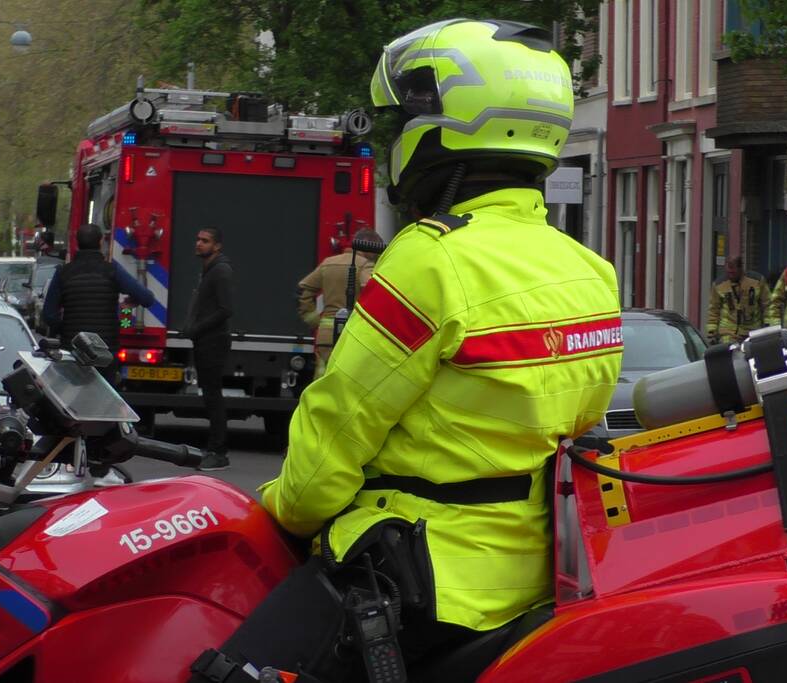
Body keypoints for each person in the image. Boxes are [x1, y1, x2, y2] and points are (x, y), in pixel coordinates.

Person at [189, 19, 622, 683]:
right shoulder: (590, 271)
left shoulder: (431, 260)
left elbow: (338, 428)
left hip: (418, 586)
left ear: (447, 126)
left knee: (222, 672)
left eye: (404, 121)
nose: (397, 139)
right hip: (539, 584)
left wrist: (284, 511)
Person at [41, 222, 155, 382]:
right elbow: (147, 299)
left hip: (73, 350)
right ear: (101, 242)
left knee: (73, 395)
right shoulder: (112, 271)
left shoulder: (63, 273)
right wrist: (131, 301)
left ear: (77, 243)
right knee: (104, 395)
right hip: (105, 352)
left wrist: (66, 329)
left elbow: (49, 315)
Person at [296, 228, 384, 378]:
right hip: (351, 336)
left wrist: (314, 320)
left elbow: (302, 291)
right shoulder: (365, 265)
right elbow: (372, 292)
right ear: (369, 246)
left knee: (322, 377)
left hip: (325, 337)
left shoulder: (328, 263)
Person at [181, 226, 233, 472]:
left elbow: (225, 309)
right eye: (198, 239)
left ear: (217, 246)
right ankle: (214, 448)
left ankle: (218, 452)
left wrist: (197, 328)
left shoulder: (220, 271)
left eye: (205, 240)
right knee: (210, 395)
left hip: (213, 341)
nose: (199, 243)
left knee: (213, 396)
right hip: (205, 340)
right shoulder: (209, 270)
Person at [706, 256, 771, 344]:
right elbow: (713, 310)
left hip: (752, 332)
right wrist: (712, 332)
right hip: (728, 333)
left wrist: (768, 325)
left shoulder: (757, 281)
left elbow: (767, 304)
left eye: (733, 272)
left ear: (741, 269)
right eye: (728, 272)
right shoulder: (719, 285)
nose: (730, 275)